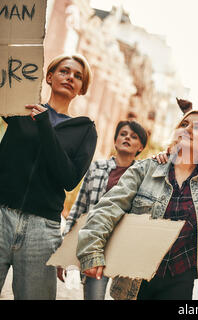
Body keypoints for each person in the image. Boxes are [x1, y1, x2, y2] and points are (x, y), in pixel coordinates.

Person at [76, 107, 198, 300]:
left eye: (197, 128)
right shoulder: (145, 169)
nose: (187, 129)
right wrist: (91, 250)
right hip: (136, 277)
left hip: (180, 279)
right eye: (184, 124)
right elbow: (108, 207)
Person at [0, 54, 97, 299]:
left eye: (78, 76)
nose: (70, 77)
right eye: (64, 71)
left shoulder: (85, 130)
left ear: (81, 89)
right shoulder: (20, 109)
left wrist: (44, 124)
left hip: (42, 230)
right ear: (50, 76)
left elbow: (68, 179)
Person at [59, 120, 147, 300]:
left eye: (134, 136)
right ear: (115, 141)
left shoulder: (145, 176)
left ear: (141, 147)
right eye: (123, 134)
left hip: (126, 251)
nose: (127, 138)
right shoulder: (96, 168)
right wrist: (64, 252)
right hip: (96, 249)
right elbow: (79, 209)